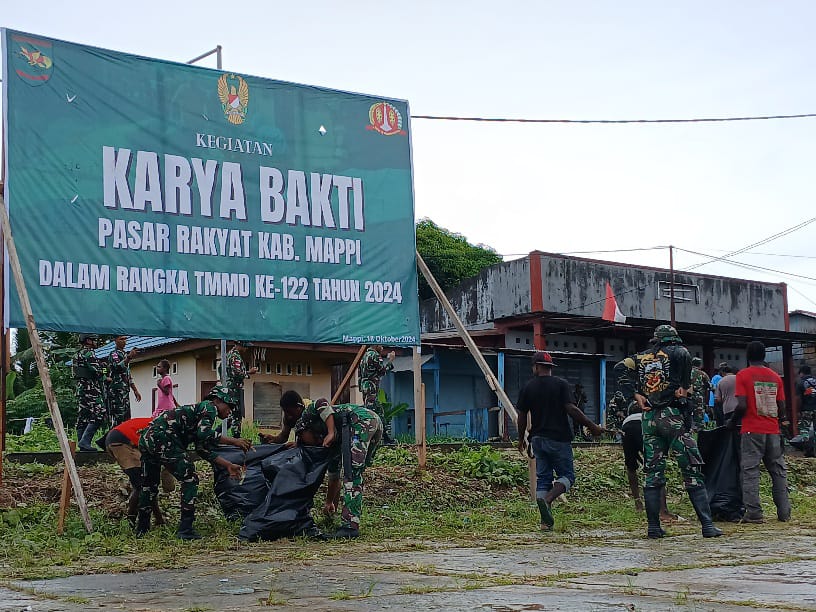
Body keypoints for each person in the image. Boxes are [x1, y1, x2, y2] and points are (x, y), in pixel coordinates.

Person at [633, 325, 722, 539]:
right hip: (672, 416)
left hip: (649, 419)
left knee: (653, 473)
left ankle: (654, 527)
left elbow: (620, 368)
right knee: (691, 468)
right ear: (673, 339)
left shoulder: (641, 357)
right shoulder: (680, 352)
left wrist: (636, 395)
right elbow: (685, 388)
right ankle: (707, 525)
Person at [136, 385, 251, 539]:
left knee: (149, 485)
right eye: (229, 406)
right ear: (217, 400)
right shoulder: (210, 408)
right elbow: (204, 434)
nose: (230, 411)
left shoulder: (199, 415)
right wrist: (234, 441)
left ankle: (142, 529)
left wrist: (228, 465)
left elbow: (202, 449)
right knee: (190, 479)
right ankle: (185, 529)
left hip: (148, 438)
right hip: (164, 439)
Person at [516, 351, 603, 531]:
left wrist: (520, 438)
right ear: (549, 368)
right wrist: (592, 426)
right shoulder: (561, 384)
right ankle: (547, 500)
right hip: (559, 438)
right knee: (568, 476)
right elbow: (571, 409)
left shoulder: (528, 387)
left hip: (537, 439)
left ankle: (545, 523)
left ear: (537, 367)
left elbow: (522, 416)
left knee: (543, 479)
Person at [294, 398, 383, 539]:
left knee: (352, 473)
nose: (313, 444)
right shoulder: (330, 445)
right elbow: (334, 477)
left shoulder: (306, 418)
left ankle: (350, 527)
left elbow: (321, 402)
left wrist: (330, 431)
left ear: (302, 431)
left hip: (360, 420)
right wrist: (329, 502)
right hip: (370, 422)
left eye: (306, 441)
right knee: (354, 472)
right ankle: (349, 520)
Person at [729, 341, 791, 523]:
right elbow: (781, 405)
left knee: (750, 471)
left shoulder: (743, 375)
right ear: (764, 356)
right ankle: (784, 512)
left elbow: (741, 405)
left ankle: (754, 513)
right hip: (773, 430)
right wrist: (781, 421)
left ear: (748, 356)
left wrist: (732, 422)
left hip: (751, 430)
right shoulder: (775, 376)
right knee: (778, 471)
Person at [614, 356, 675, 518]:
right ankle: (662, 510)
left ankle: (638, 503)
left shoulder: (631, 385)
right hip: (645, 423)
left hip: (627, 425)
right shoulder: (657, 382)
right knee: (655, 466)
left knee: (631, 466)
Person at [99, 417, 164, 526]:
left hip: (121, 440)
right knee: (142, 485)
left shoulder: (162, 423)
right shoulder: (166, 427)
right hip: (122, 442)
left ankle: (159, 520)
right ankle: (131, 521)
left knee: (147, 484)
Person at [74, 333, 108, 451]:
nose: (96, 342)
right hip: (90, 388)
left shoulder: (78, 354)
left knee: (84, 416)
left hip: (81, 389)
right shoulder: (89, 353)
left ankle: (82, 444)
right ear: (88, 341)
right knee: (100, 412)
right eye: (94, 340)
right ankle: (85, 441)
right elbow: (97, 371)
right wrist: (105, 375)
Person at [358, 345, 395, 442]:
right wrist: (390, 361)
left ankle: (384, 437)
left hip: (365, 388)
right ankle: (371, 438)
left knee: (378, 411)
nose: (382, 348)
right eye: (381, 345)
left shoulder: (364, 356)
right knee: (372, 413)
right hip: (371, 388)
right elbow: (382, 371)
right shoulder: (374, 355)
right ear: (376, 345)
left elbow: (360, 375)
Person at [225, 341, 258, 437]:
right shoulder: (235, 356)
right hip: (235, 389)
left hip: (230, 388)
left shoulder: (229, 354)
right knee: (237, 415)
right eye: (246, 347)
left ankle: (220, 434)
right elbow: (237, 373)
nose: (246, 349)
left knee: (231, 415)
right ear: (241, 345)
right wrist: (249, 372)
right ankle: (236, 438)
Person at [107, 336, 141, 426]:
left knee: (127, 419)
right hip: (116, 391)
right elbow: (118, 367)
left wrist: (135, 390)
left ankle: (124, 439)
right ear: (115, 340)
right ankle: (111, 439)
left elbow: (128, 375)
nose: (124, 341)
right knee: (118, 418)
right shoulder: (114, 354)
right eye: (121, 339)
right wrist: (129, 357)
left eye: (125, 339)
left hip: (125, 391)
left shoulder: (124, 354)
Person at [794, 364, 816, 452]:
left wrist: (798, 411)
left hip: (806, 410)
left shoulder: (800, 383)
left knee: (804, 431)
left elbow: (798, 399)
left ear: (801, 373)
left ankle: (808, 451)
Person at [689, 357, 711, 432]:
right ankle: (699, 429)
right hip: (698, 397)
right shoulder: (702, 374)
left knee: (687, 413)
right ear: (700, 365)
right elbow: (710, 386)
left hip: (687, 395)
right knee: (699, 415)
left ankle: (688, 428)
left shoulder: (686, 372)